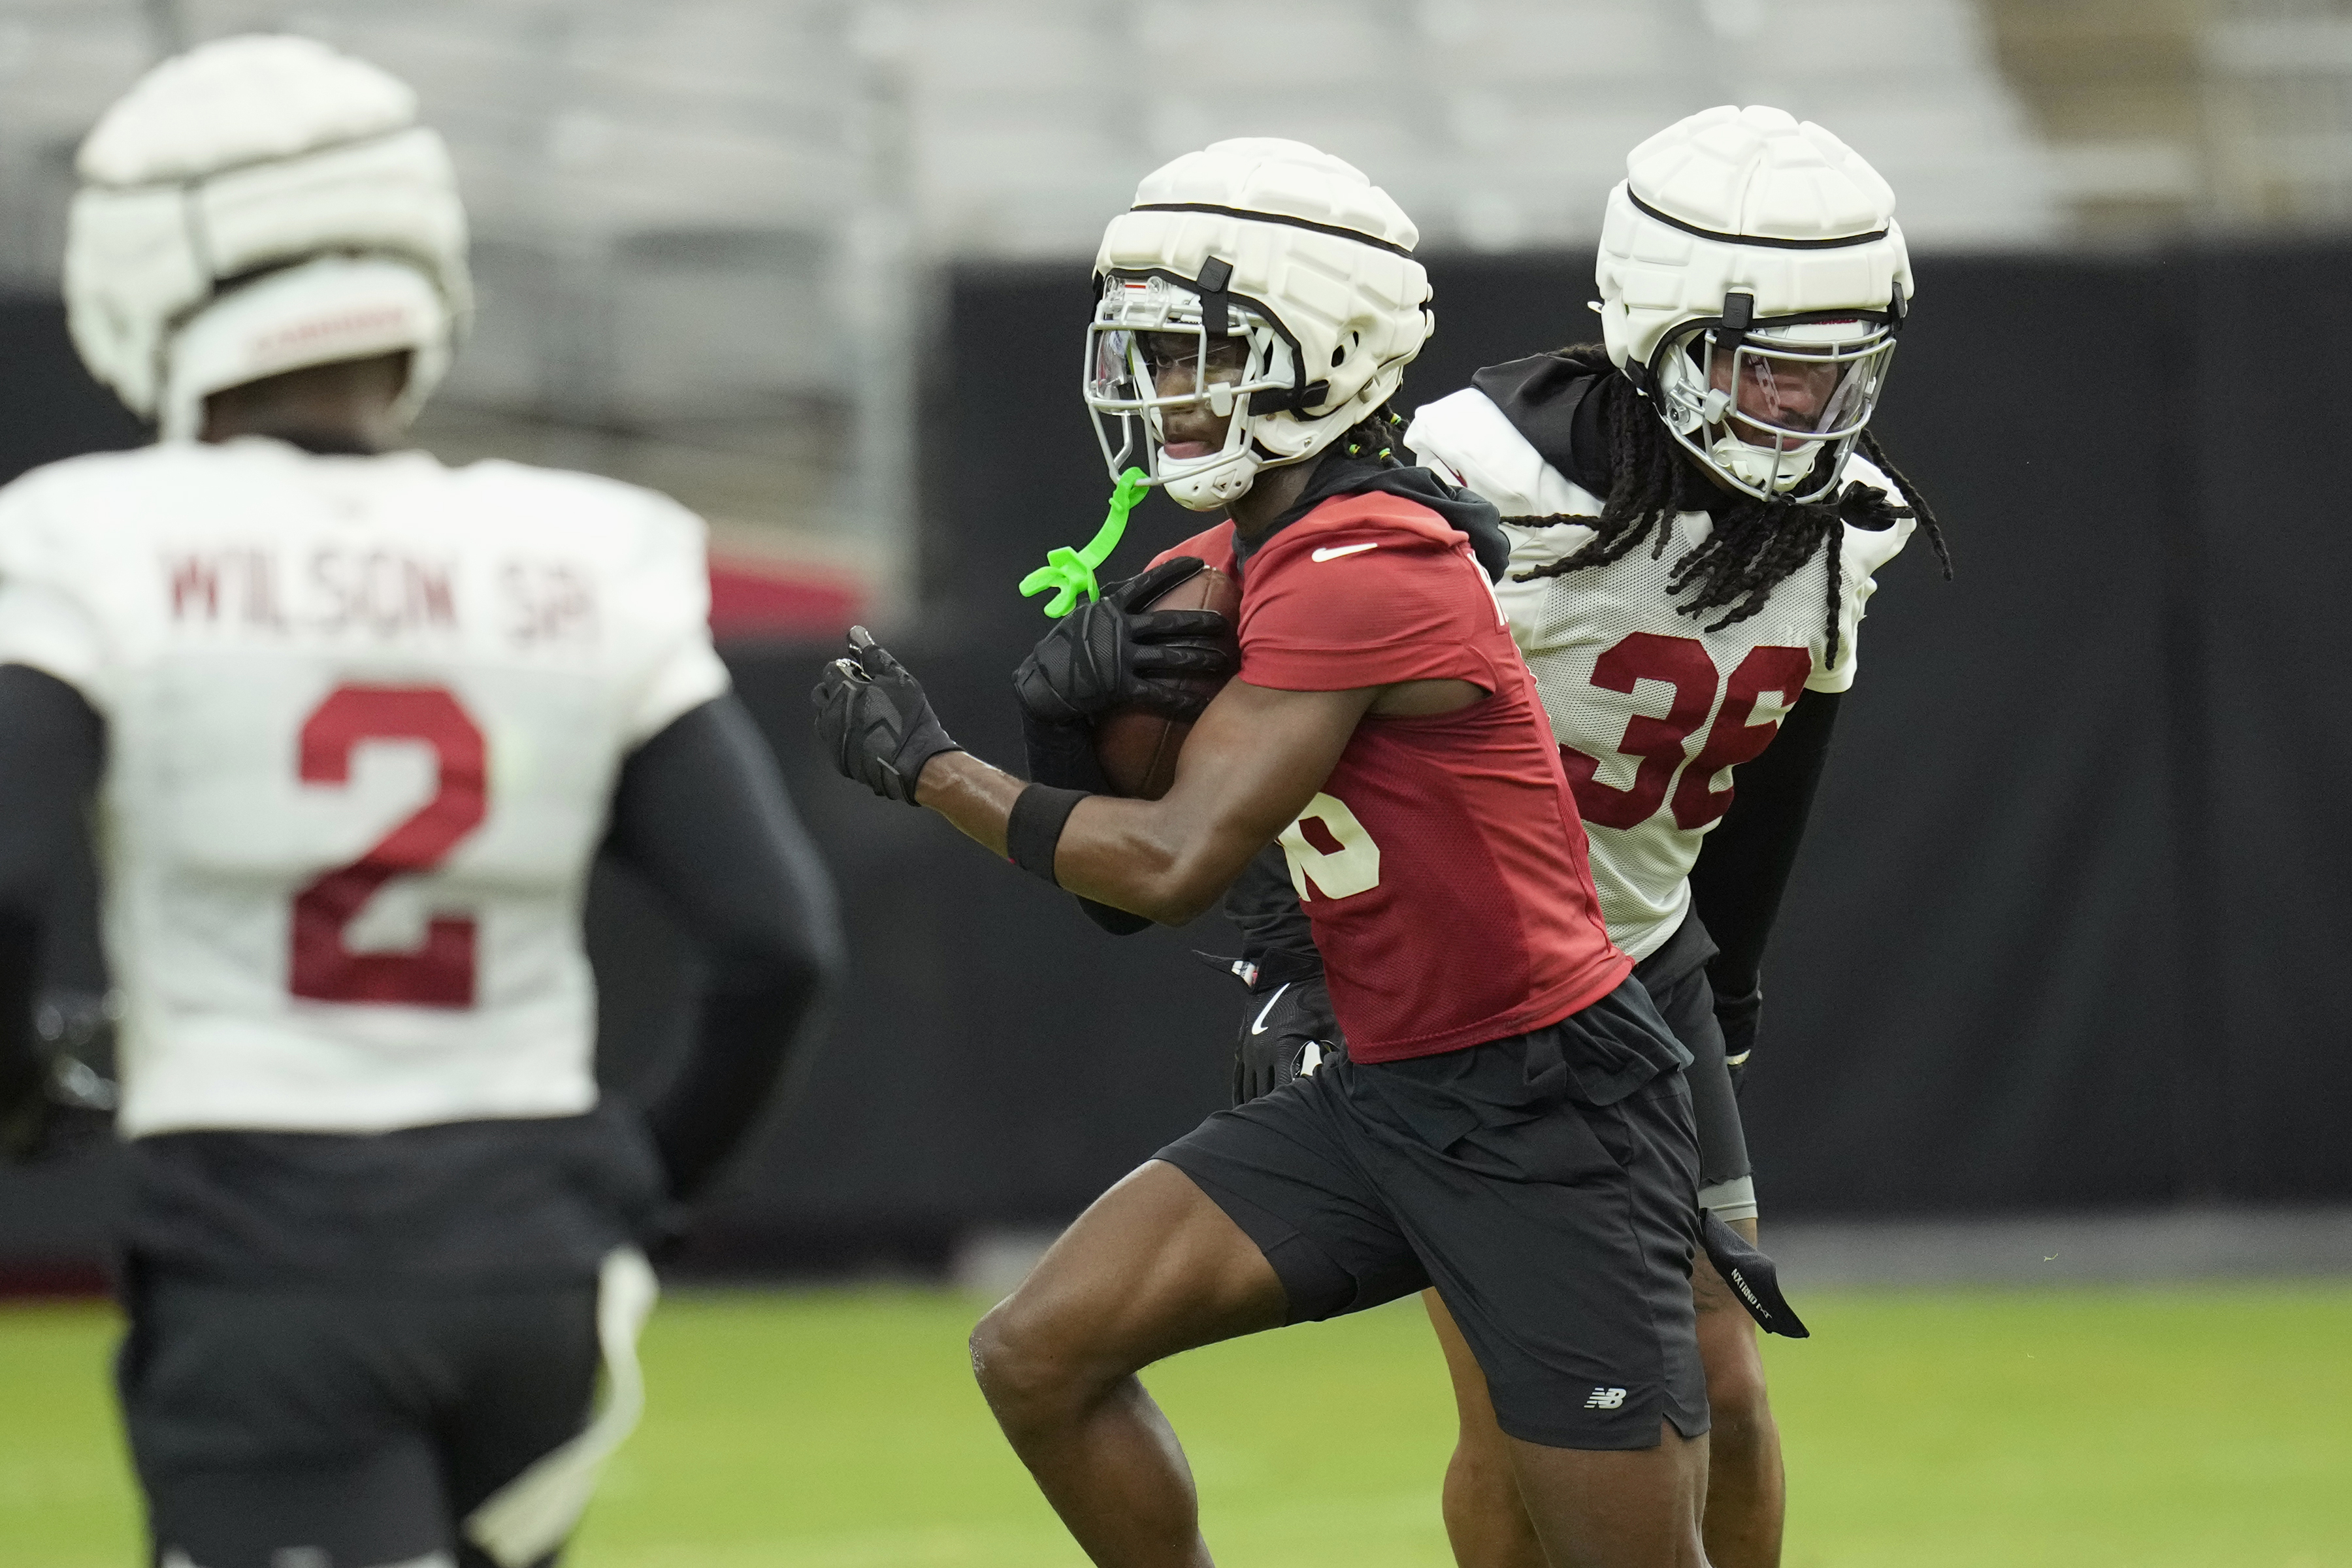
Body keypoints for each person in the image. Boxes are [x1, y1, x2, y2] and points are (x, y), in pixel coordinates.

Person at [1017, 105, 1949, 1568]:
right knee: (1534, 1431)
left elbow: (1777, 765)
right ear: (1662, 325)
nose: (1800, 407)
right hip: (1474, 994)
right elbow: (1276, 715)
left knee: (1730, 1399)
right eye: (1765, 364)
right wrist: (1296, 958)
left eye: (1833, 369)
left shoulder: (1846, 520)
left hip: (1644, 966)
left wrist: (1733, 997)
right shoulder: (1460, 482)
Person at [0, 36, 843, 1568]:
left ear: (142, 269)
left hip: (271, 1247)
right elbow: (775, 941)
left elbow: (1, 879)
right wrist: (638, 1197)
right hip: (533, 1261)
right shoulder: (585, 549)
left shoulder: (88, 536)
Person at [817, 138, 1712, 1568]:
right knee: (1037, 1355)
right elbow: (1123, 892)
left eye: (1199, 356)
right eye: (1152, 359)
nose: (1166, 395)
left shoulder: (1369, 565)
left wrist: (935, 771)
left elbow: (1170, 862)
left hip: (1548, 1115)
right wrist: (1068, 731)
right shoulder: (1242, 557)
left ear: (1332, 349)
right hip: (1388, 1090)